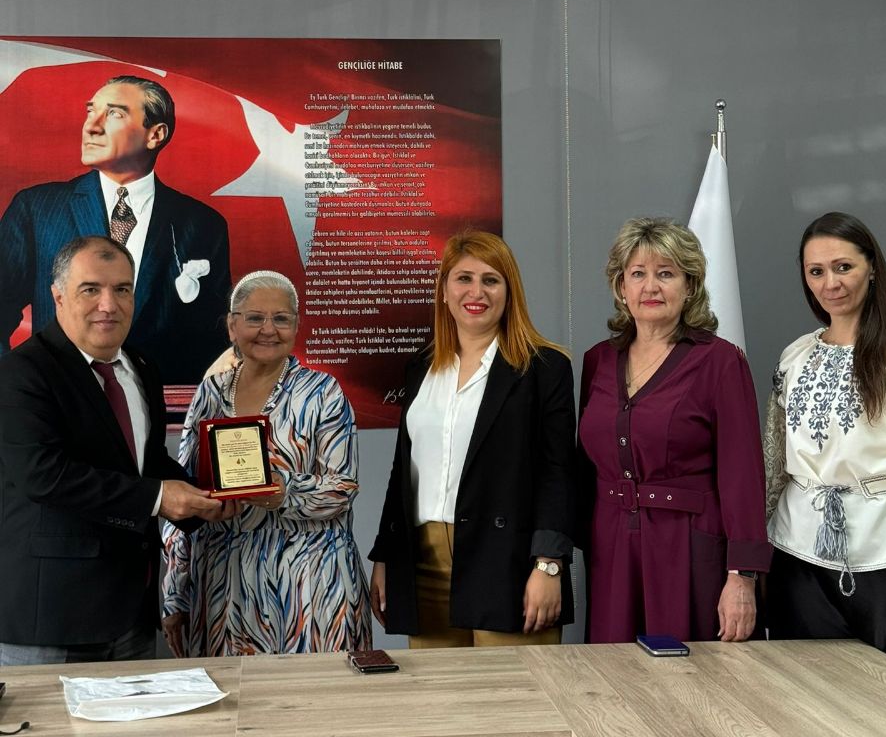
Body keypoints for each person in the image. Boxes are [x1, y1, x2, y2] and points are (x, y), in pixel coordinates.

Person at [0, 235, 230, 666]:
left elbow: (146, 461)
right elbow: (44, 475)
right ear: (58, 297)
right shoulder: (21, 372)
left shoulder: (141, 368)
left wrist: (205, 500)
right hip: (51, 618)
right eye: (91, 289)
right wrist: (159, 498)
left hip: (131, 611)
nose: (108, 304)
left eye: (122, 289)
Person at [764, 211, 886, 681]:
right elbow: (773, 466)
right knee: (805, 697)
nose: (830, 283)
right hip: (796, 556)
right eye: (816, 271)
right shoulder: (795, 357)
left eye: (843, 267)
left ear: (871, 268)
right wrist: (753, 561)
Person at [369, 230, 576, 647]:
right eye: (464, 278)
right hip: (422, 561)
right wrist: (385, 555)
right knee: (437, 688)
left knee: (511, 688)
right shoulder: (421, 368)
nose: (476, 292)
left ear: (509, 292)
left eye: (491, 280)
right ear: (444, 291)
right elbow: (403, 472)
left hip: (508, 561)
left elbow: (558, 473)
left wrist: (549, 563)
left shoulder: (544, 368)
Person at [578, 218, 770, 647]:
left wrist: (742, 575)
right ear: (621, 287)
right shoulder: (597, 361)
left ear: (690, 285)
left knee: (691, 674)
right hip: (611, 548)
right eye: (638, 274)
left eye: (665, 273)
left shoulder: (720, 361)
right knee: (613, 673)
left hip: (689, 548)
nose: (651, 287)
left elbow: (742, 475)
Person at [162, 270, 371, 656]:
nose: (268, 330)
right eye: (255, 318)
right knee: (233, 693)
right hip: (223, 590)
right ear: (232, 326)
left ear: (296, 325)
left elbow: (342, 488)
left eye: (281, 318)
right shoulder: (209, 393)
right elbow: (183, 495)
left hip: (309, 589)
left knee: (314, 693)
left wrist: (283, 491)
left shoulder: (323, 392)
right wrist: (175, 593)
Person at [0, 74, 232, 384]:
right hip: (58, 399)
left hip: (161, 405)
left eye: (113, 113)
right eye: (90, 111)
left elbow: (214, 338)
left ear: (155, 134)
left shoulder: (203, 224)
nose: (91, 126)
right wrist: (15, 388)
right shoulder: (36, 209)